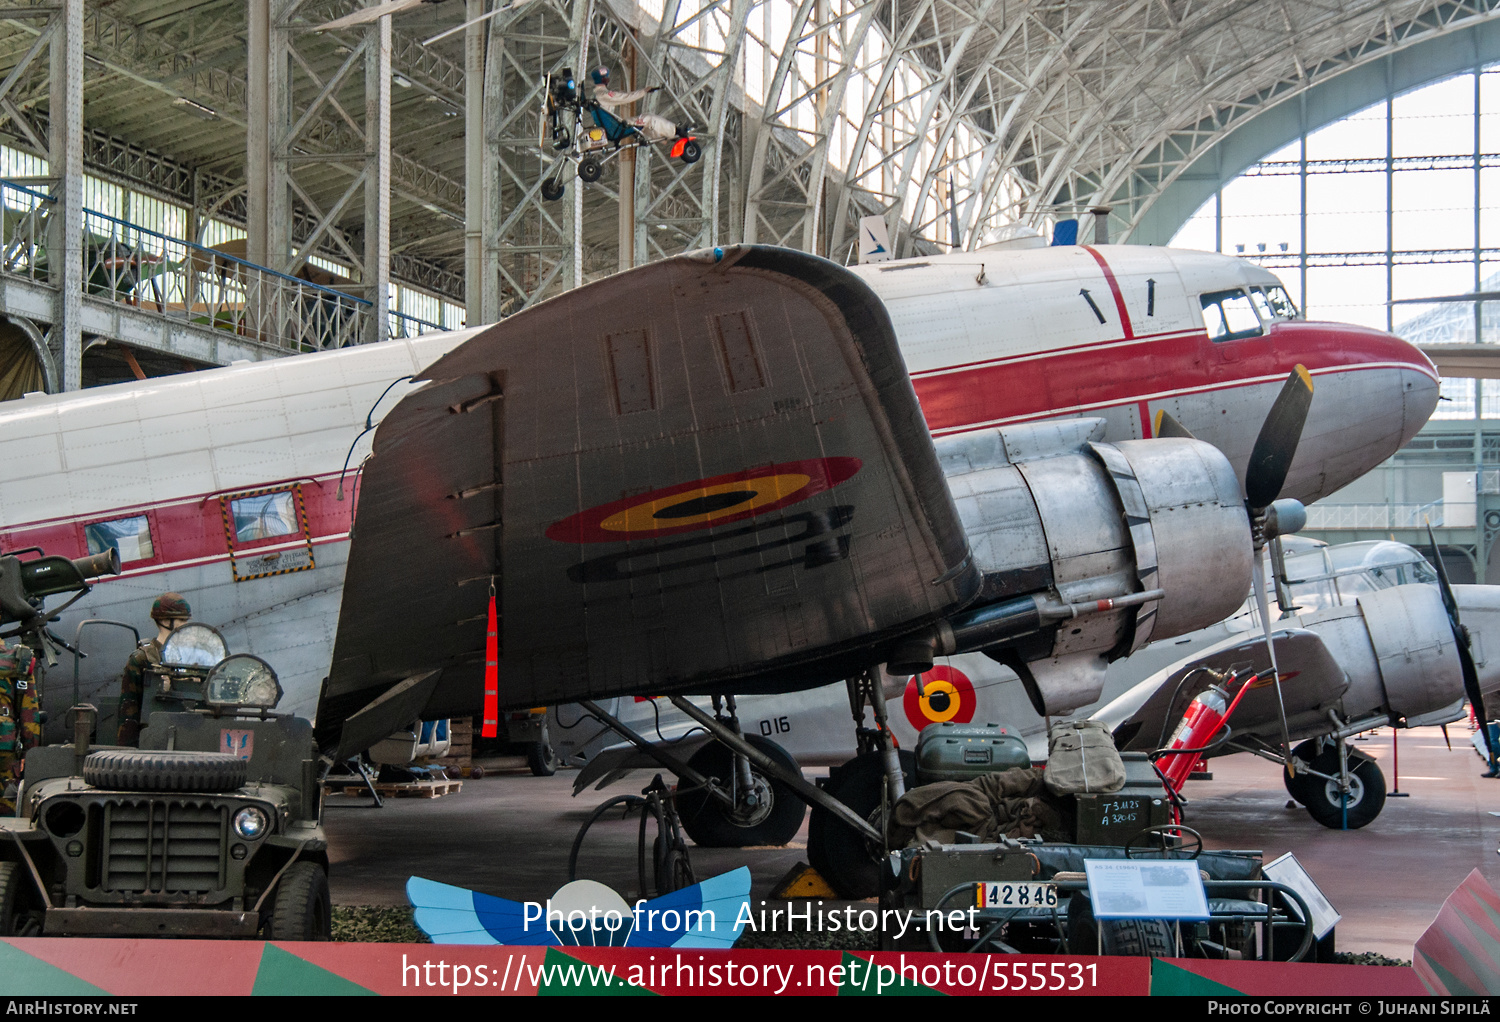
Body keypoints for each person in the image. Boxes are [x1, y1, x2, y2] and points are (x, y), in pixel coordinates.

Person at [116, 592, 192, 746]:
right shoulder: (142, 659)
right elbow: (129, 712)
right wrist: (129, 754)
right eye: (182, 620)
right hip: (153, 742)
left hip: (189, 737)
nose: (187, 625)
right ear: (165, 620)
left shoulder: (192, 658)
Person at [588, 67, 690, 141]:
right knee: (648, 118)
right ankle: (676, 131)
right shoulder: (603, 94)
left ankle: (666, 136)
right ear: (604, 79)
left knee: (642, 124)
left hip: (612, 127)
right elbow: (625, 97)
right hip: (614, 129)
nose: (608, 78)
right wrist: (644, 91)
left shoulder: (596, 94)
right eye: (606, 77)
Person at [0, 638, 40, 809]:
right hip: (5, 745)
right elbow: (29, 715)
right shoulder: (19, 658)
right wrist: (30, 754)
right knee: (6, 807)